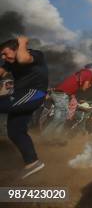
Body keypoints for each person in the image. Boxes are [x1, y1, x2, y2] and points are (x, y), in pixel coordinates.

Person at [0, 36, 48, 178]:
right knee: (15, 132)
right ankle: (33, 163)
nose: (3, 57)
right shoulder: (11, 62)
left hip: (33, 94)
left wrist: (22, 42)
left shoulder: (36, 55)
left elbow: (22, 58)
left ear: (17, 49)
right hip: (22, 97)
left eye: (5, 53)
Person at [43, 63, 92, 138]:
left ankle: (55, 138)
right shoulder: (89, 74)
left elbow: (73, 87)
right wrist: (90, 84)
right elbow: (84, 88)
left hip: (60, 94)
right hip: (62, 95)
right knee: (59, 118)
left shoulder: (81, 73)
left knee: (62, 118)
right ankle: (44, 137)